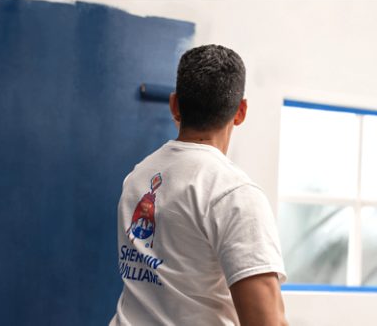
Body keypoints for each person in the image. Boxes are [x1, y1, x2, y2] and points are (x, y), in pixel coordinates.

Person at [109, 44, 288, 326]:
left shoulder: (137, 177)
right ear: (241, 111)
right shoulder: (234, 194)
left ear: (174, 105)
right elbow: (267, 321)